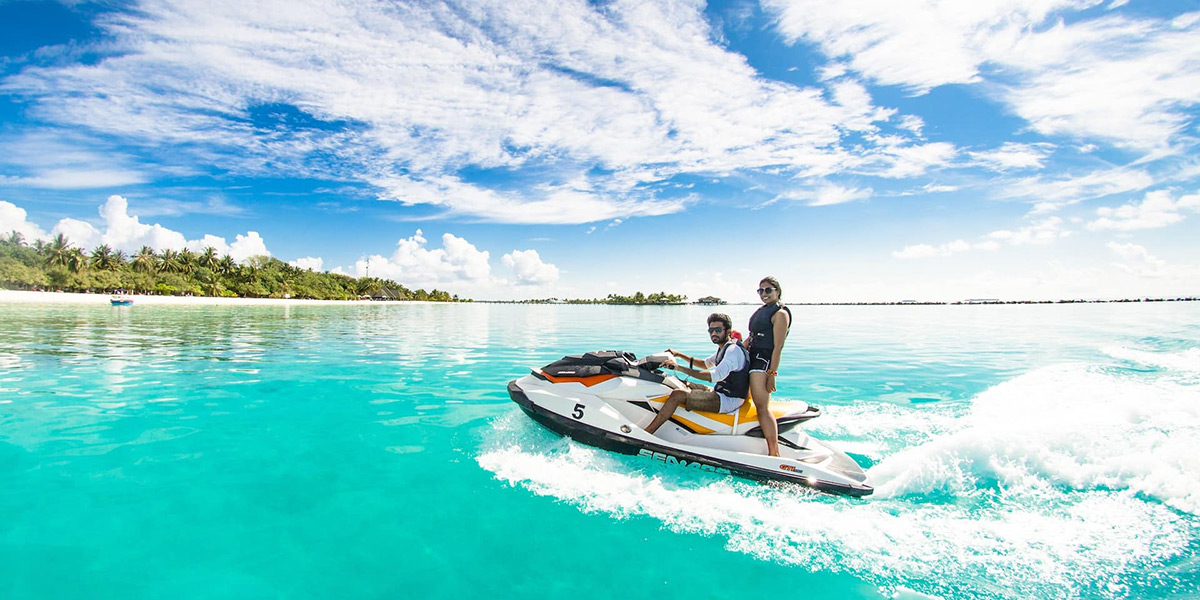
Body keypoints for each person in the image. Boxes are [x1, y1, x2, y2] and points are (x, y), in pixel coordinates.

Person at [644, 313, 750, 435]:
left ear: (728, 332)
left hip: (728, 400)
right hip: (720, 392)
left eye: (718, 330)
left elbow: (713, 376)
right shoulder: (724, 347)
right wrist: (679, 354)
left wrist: (679, 368)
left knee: (677, 394)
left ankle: (648, 432)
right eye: (711, 330)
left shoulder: (732, 351)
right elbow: (705, 364)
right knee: (678, 383)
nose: (714, 333)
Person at [746, 276, 791, 456]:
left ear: (777, 291)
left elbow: (778, 346)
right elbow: (752, 336)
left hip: (762, 362)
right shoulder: (763, 310)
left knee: (762, 406)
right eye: (760, 291)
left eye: (768, 290)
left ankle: (774, 452)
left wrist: (772, 373)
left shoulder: (780, 314)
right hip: (751, 357)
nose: (763, 294)